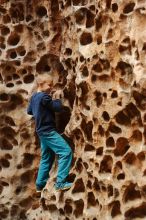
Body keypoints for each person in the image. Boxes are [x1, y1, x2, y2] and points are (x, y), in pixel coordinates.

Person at [27, 73, 73, 191]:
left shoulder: (34, 97)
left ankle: (39, 185)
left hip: (41, 132)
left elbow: (29, 111)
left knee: (47, 157)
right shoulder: (44, 97)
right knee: (66, 152)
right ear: (41, 84)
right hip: (48, 131)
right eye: (49, 85)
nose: (51, 88)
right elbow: (57, 107)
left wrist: (40, 110)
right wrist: (57, 98)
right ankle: (60, 183)